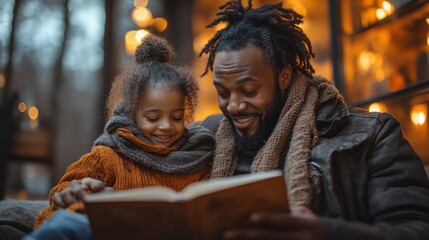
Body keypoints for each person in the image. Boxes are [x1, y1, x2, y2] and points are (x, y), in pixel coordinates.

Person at [198, 0, 429, 239]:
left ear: (284, 77)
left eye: (249, 90)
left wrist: (327, 232)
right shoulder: (207, 136)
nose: (234, 106)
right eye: (223, 93)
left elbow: (418, 230)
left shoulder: (373, 135)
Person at [26, 34, 215, 240]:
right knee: (66, 224)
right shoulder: (109, 156)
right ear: (134, 115)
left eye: (177, 117)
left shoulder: (197, 157)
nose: (166, 126)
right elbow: (63, 192)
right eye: (153, 118)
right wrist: (76, 192)